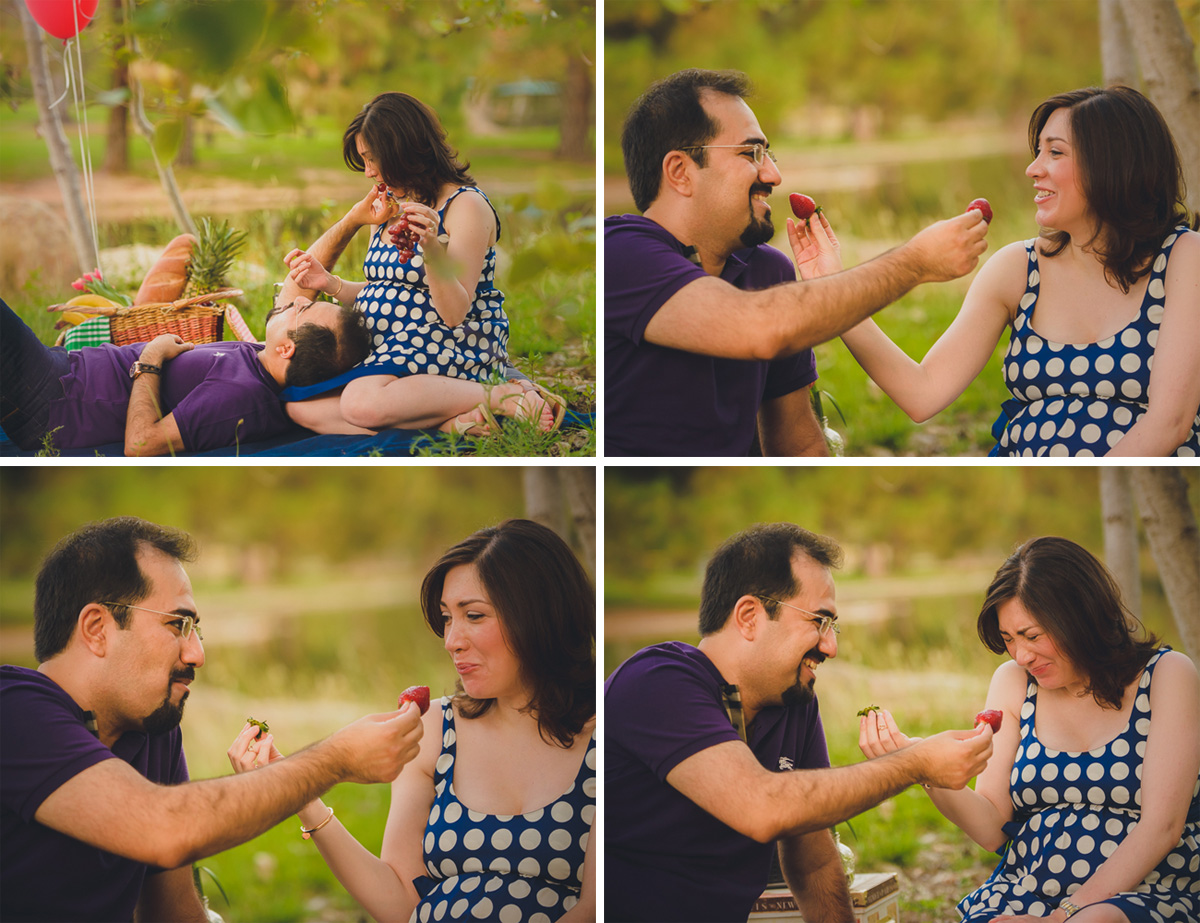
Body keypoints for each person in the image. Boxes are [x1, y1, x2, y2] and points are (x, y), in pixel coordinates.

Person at [0, 517, 424, 922]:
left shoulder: (152, 733)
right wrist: (336, 760)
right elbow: (164, 829)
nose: (197, 654)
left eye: (197, 629)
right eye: (178, 624)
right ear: (97, 628)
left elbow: (176, 914)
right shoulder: (14, 711)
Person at [605, 522, 994, 923]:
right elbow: (760, 808)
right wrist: (915, 763)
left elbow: (814, 865)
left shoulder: (793, 702)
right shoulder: (656, 680)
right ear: (749, 616)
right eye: (819, 621)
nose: (831, 646)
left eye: (833, 626)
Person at [604, 68, 991, 457]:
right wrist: (914, 262)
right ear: (680, 172)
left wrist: (832, 278)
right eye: (751, 152)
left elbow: (799, 442)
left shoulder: (767, 271)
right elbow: (759, 327)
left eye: (768, 153)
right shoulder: (620, 253)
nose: (774, 174)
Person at [228, 518, 596, 923]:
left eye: (473, 615)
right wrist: (300, 796)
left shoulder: (607, 738)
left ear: (541, 615)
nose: (452, 640)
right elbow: (400, 900)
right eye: (446, 618)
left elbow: (595, 908)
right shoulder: (436, 727)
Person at [833, 86, 1200, 456]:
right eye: (1038, 151)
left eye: (1055, 152)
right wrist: (835, 295)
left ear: (1114, 164)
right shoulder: (1018, 268)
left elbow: (1169, 423)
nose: (1033, 168)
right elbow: (923, 392)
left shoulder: (1184, 258)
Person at [859, 536, 1200, 922]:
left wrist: (1065, 915)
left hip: (1147, 894)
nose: (1021, 655)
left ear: (1081, 616)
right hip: (1028, 893)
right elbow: (992, 827)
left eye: (1033, 636)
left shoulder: (1167, 675)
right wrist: (920, 765)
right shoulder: (1014, 682)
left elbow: (1163, 826)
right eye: (1009, 640)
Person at [277, 92, 563, 438]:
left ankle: (501, 394)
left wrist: (430, 247)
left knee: (358, 405)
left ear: (404, 151)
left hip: (449, 342)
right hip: (391, 345)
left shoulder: (465, 207)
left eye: (372, 159)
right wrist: (332, 284)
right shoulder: (393, 206)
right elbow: (387, 291)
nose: (369, 173)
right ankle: (448, 424)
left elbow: (455, 311)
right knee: (299, 407)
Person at [0, 295, 371, 455]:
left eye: (304, 310)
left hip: (54, 399)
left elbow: (141, 446)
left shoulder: (238, 395)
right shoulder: (263, 360)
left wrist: (151, 357)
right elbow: (294, 288)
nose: (300, 300)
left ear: (287, 349)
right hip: (63, 374)